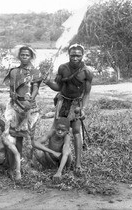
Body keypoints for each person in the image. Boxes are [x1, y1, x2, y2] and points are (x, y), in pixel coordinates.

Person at [43, 43, 93, 173]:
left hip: (76, 104)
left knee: (76, 132)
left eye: (78, 55)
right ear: (69, 55)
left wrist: (83, 108)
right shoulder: (62, 68)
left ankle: (77, 165)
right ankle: (54, 159)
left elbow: (86, 93)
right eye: (72, 55)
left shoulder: (87, 72)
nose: (75, 58)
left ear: (82, 55)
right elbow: (58, 87)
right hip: (62, 102)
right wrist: (48, 82)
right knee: (56, 130)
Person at [4, 45, 43, 160]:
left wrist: (32, 97)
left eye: (27, 55)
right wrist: (13, 94)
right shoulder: (14, 72)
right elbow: (12, 89)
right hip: (17, 105)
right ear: (19, 56)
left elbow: (35, 87)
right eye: (22, 55)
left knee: (31, 134)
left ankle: (31, 159)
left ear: (31, 57)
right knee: (17, 134)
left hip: (31, 105)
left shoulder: (35, 72)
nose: (24, 57)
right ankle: (18, 158)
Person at [32, 117, 72, 182]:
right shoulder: (52, 132)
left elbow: (65, 153)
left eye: (63, 130)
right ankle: (51, 168)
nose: (59, 132)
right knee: (37, 151)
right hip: (51, 158)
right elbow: (35, 143)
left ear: (67, 131)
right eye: (58, 129)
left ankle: (66, 170)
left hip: (61, 160)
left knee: (68, 151)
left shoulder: (67, 137)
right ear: (55, 128)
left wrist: (59, 172)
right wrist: (52, 152)